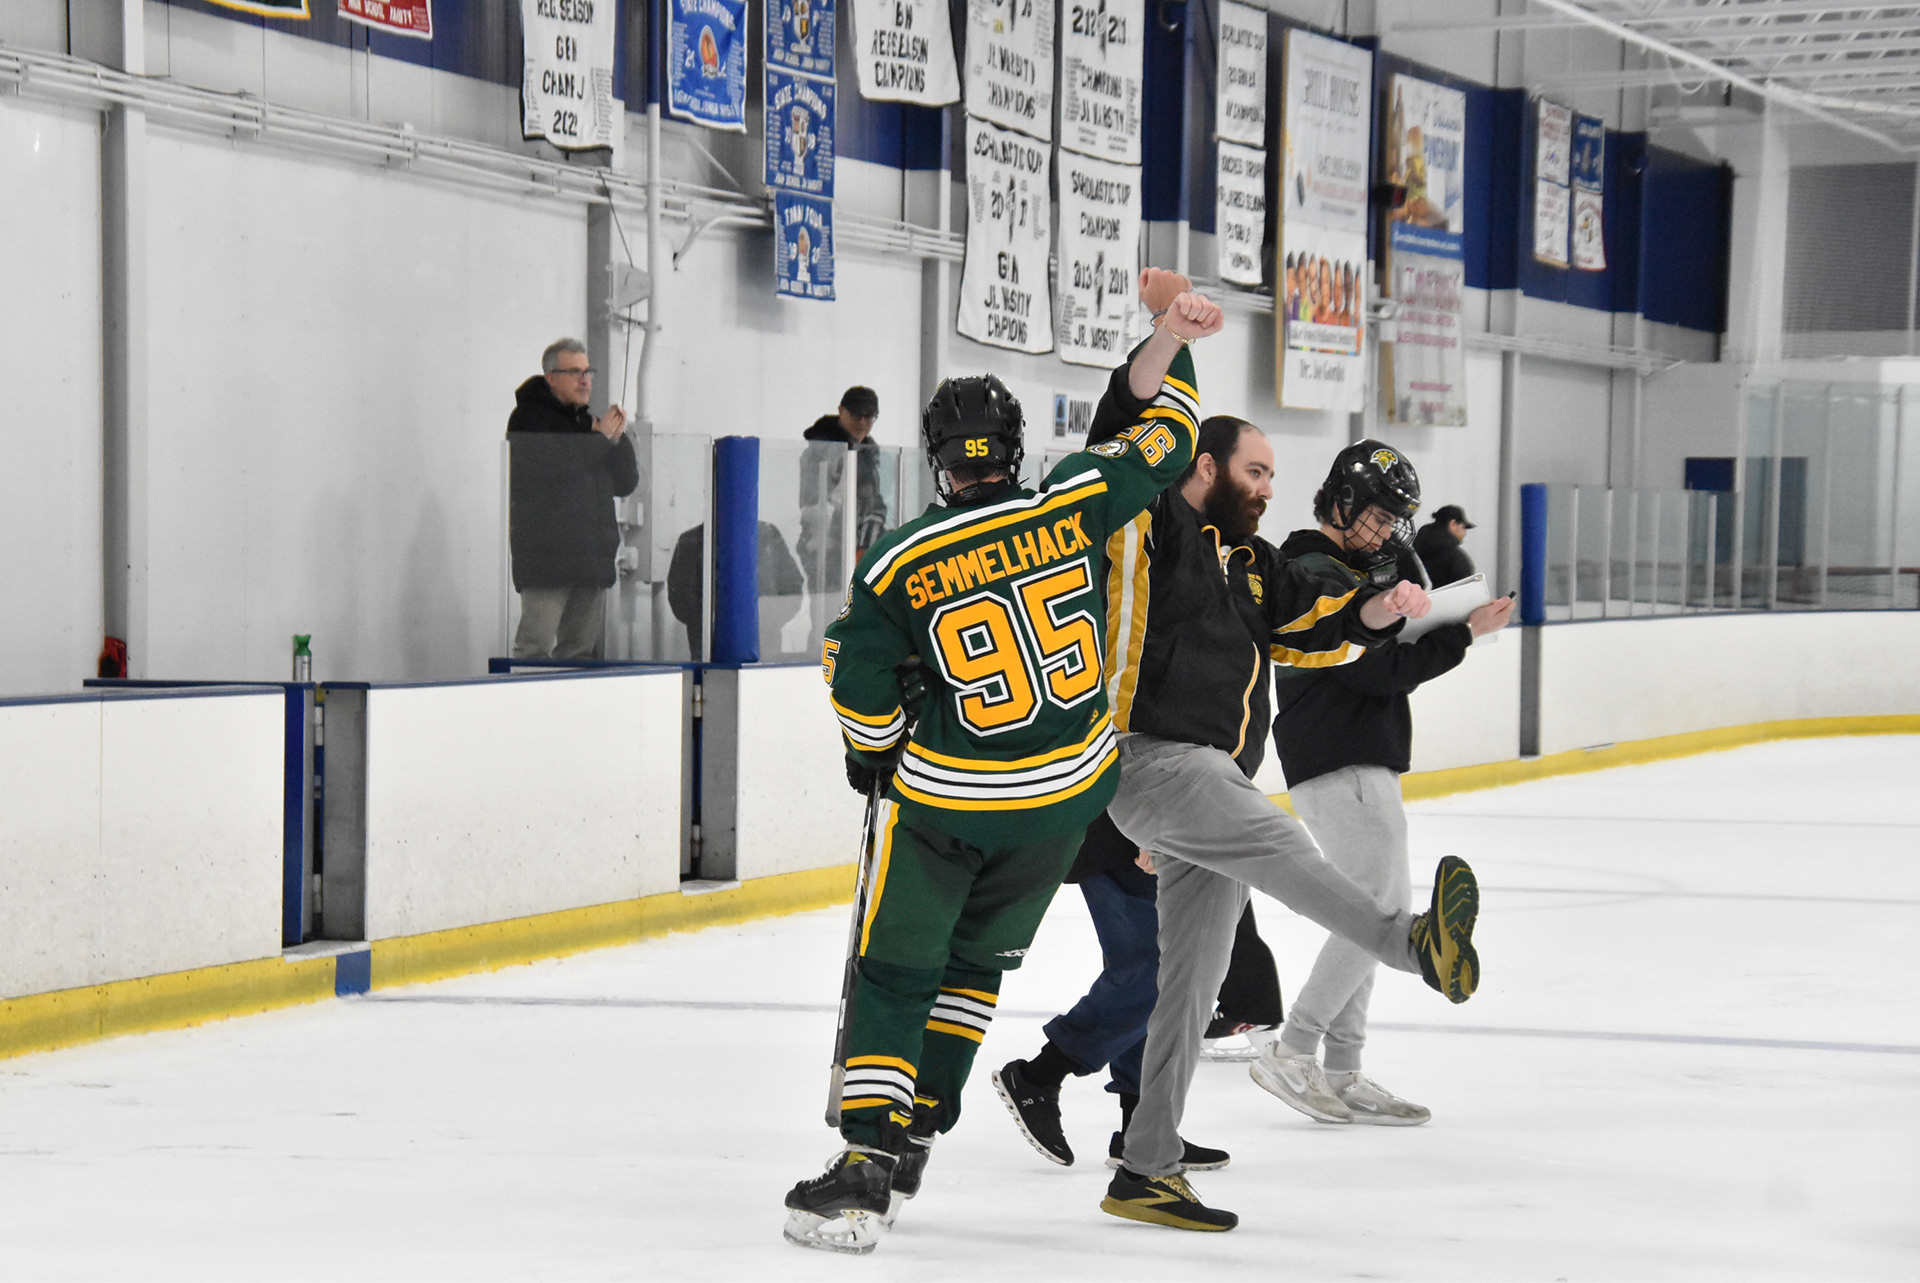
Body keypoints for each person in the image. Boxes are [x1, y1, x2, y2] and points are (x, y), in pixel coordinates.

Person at [780, 281, 1225, 1256]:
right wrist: (1173, 337)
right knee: (973, 967)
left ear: (937, 456)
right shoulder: (1073, 499)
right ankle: (920, 1131)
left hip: (951, 804)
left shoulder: (899, 559)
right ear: (1015, 447)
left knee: (898, 969)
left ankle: (867, 1154)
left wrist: (874, 750)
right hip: (1064, 804)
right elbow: (1171, 436)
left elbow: (853, 673)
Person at [1083, 348, 1483, 1231]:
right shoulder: (1150, 523)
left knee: (1191, 986)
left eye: (1272, 474)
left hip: (1207, 780)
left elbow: (1317, 624)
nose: (1269, 487)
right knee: (1281, 846)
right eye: (1255, 471)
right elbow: (1122, 428)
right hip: (1148, 757)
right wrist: (1169, 334)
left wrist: (1384, 608)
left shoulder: (1255, 564)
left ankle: (1146, 1166)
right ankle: (1410, 945)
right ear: (1203, 466)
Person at [1262, 472, 1515, 1127]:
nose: (1388, 531)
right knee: (1377, 915)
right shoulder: (1312, 569)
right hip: (1338, 756)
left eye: (1396, 518)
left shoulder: (1352, 565)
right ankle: (1294, 1049)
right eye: (1378, 515)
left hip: (1354, 754)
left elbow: (1387, 659)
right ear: (1340, 504)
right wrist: (1463, 634)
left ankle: (1342, 1068)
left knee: (1372, 912)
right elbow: (1378, 670)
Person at [991, 814, 1283, 1173]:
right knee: (1158, 969)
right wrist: (1144, 828)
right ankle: (1040, 1075)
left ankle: (1140, 1132)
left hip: (1155, 829)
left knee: (1150, 971)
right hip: (1127, 832)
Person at [506, 338, 639, 659]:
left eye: (588, 372)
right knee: (534, 650)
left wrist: (617, 441)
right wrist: (600, 440)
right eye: (575, 372)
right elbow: (554, 466)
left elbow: (625, 483)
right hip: (547, 560)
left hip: (590, 560)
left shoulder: (588, 424)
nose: (585, 380)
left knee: (579, 654)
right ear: (551, 377)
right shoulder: (528, 419)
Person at [665, 521, 806, 659]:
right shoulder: (690, 541)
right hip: (713, 650)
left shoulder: (767, 535)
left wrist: (768, 622)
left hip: (723, 649)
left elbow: (792, 588)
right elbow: (678, 599)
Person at [1413, 504, 1478, 588]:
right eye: (1464, 527)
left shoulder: (1412, 551)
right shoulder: (1457, 558)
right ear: (1453, 524)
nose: (1465, 533)